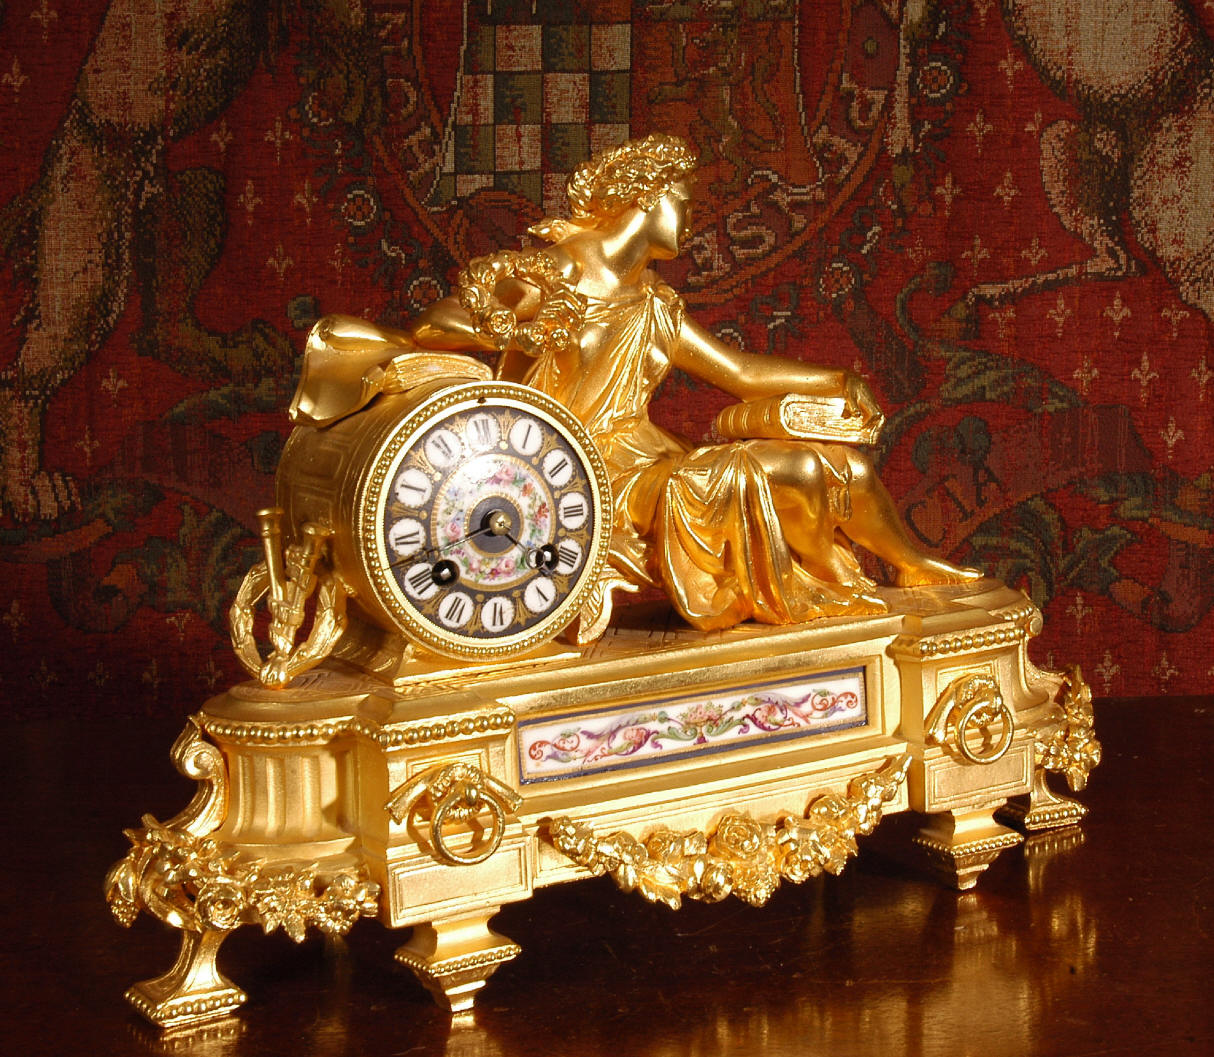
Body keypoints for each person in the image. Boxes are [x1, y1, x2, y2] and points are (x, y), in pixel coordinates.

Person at [370, 133, 979, 631]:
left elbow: (738, 372)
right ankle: (832, 587)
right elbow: (434, 323)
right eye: (682, 201)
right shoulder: (557, 273)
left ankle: (910, 563)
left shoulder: (653, 302)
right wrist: (519, 335)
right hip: (575, 472)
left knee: (842, 466)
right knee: (791, 470)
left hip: (650, 452)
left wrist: (838, 379)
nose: (689, 216)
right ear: (646, 197)